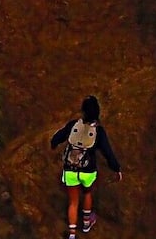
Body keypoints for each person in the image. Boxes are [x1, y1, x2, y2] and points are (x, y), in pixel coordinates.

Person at [49, 96, 122, 238]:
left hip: (70, 169)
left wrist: (53, 144)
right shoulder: (99, 132)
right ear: (98, 112)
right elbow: (107, 152)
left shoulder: (73, 125)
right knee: (87, 193)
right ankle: (87, 223)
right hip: (88, 171)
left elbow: (57, 137)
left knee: (73, 202)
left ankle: (71, 234)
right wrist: (116, 168)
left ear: (83, 111)